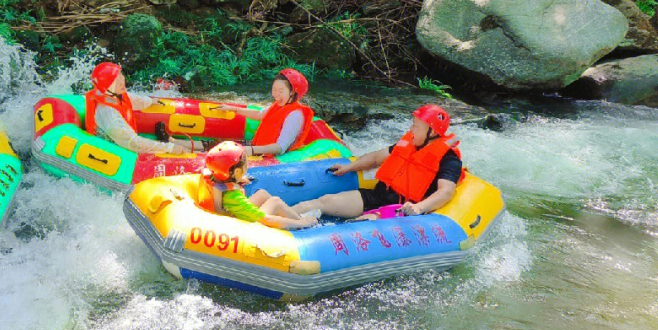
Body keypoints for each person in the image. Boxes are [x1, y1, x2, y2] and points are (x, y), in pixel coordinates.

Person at [294, 104, 464, 219]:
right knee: (324, 201)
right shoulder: (408, 144)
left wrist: (419, 208)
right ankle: (275, 219)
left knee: (359, 225)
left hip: (401, 211)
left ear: (432, 132)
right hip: (378, 196)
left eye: (416, 126)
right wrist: (348, 167)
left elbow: (445, 192)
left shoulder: (449, 159)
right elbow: (376, 158)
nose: (411, 129)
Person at [196, 142, 319, 230]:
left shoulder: (212, 176)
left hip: (228, 214)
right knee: (275, 202)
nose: (247, 164)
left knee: (262, 194)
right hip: (243, 228)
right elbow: (267, 220)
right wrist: (301, 223)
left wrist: (236, 180)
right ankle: (300, 222)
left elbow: (220, 183)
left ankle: (293, 216)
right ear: (237, 172)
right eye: (245, 162)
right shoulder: (233, 197)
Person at [85, 61, 190, 155]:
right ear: (107, 88)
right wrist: (169, 148)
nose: (122, 80)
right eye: (115, 81)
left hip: (125, 141)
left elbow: (132, 99)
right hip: (115, 151)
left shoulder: (114, 94)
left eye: (120, 76)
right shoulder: (109, 114)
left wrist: (151, 101)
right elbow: (134, 143)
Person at [220, 69, 313, 157]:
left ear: (292, 92)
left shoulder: (295, 115)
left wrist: (252, 150)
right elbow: (259, 114)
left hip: (274, 159)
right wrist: (233, 109)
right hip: (261, 153)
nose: (275, 95)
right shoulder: (279, 105)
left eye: (281, 91)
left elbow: (280, 147)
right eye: (274, 90)